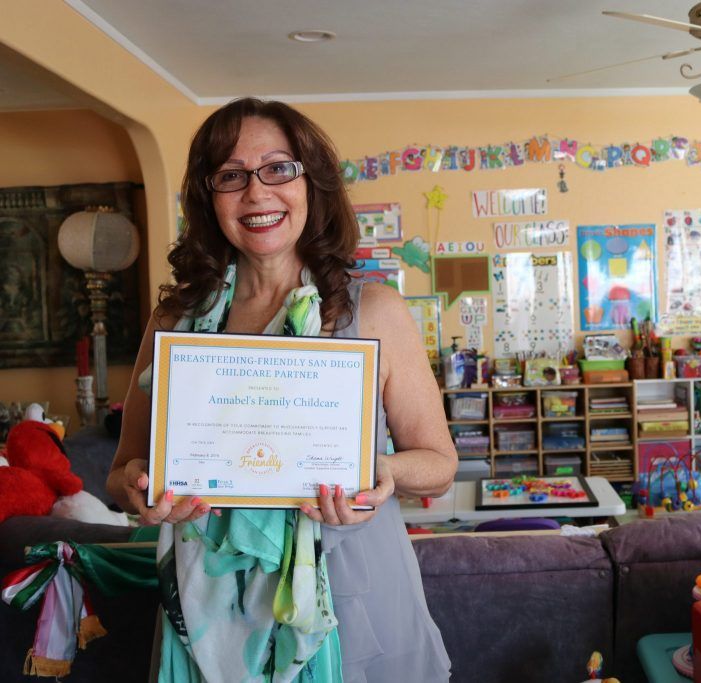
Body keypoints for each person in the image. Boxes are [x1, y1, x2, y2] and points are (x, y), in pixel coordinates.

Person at [106, 98, 457, 682]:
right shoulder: (175, 322)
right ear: (208, 197)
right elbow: (121, 473)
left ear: (311, 183)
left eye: (277, 168)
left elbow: (440, 465)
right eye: (231, 175)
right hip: (206, 615)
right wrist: (138, 489)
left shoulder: (375, 310)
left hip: (354, 600)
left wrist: (379, 471)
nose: (256, 192)